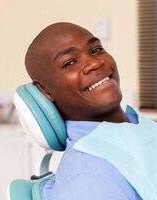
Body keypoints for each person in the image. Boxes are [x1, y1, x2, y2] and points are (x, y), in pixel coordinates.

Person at [25, 22, 142, 199]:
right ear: (45, 90)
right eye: (70, 62)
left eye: (96, 50)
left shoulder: (136, 126)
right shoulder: (91, 179)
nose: (94, 63)